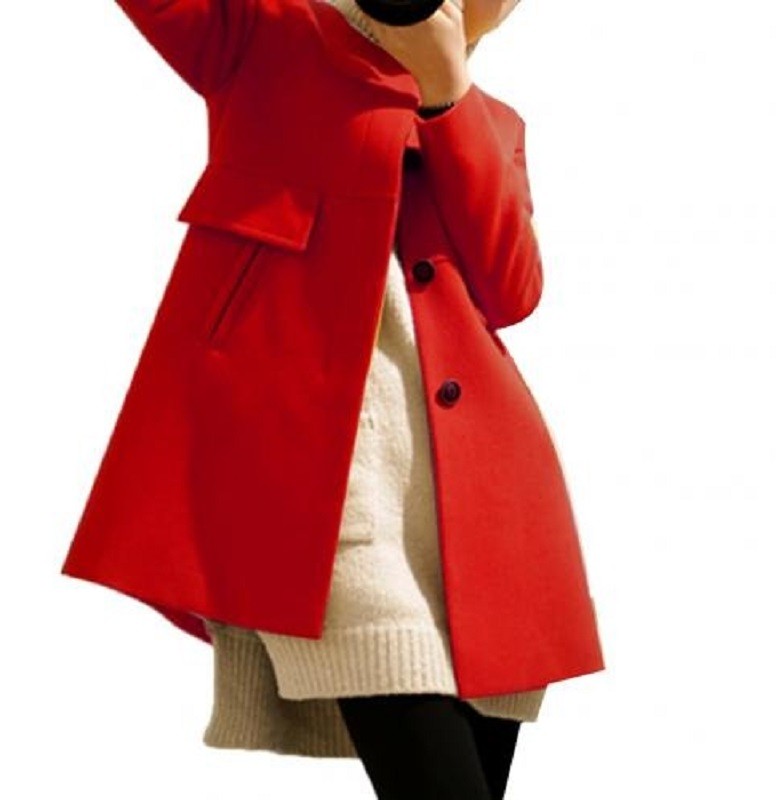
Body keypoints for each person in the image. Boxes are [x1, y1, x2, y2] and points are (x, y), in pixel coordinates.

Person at [61, 1, 605, 797]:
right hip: (326, 501)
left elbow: (512, 289)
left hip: (485, 521)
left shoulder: (495, 122)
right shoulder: (268, 36)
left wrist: (446, 93)